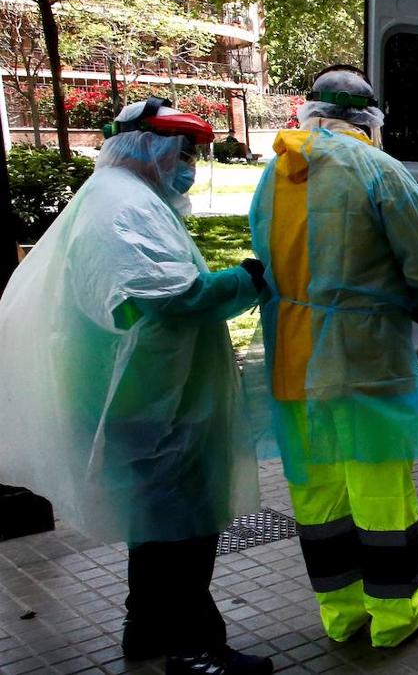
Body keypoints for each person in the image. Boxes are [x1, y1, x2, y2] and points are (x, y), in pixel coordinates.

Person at [0, 97, 272, 675]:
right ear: (151, 147)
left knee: (157, 530)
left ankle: (145, 631)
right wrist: (247, 279)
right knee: (183, 535)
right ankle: (195, 650)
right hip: (151, 402)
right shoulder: (123, 208)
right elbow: (173, 299)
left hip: (140, 394)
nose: (190, 163)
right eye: (185, 151)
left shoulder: (116, 197)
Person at [249, 65, 418, 648]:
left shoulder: (275, 172)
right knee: (381, 493)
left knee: (318, 497)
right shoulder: (379, 170)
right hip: (366, 361)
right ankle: (394, 618)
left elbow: (266, 255)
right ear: (370, 119)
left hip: (291, 357)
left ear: (310, 111)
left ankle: (340, 615)